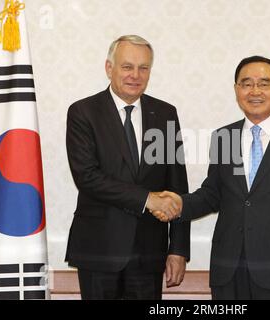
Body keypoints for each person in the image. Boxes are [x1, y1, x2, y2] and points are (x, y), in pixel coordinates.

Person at [153, 56, 270, 300]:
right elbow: (213, 194)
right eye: (246, 83)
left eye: (264, 83)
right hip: (228, 269)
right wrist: (179, 204)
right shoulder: (224, 137)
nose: (255, 91)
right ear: (236, 90)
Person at [65, 35, 190, 300]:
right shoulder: (83, 112)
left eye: (143, 68)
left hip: (149, 254)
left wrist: (178, 249)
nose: (136, 75)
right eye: (127, 66)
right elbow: (87, 177)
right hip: (98, 250)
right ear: (109, 68)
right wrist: (147, 199)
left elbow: (178, 185)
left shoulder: (166, 113)